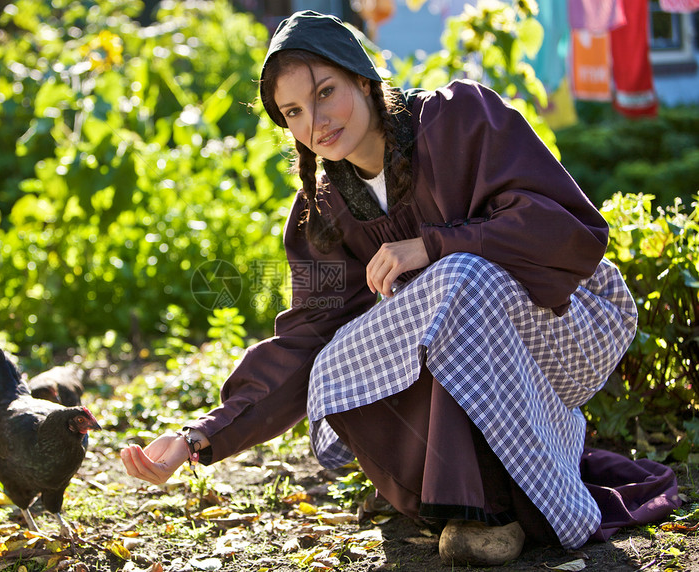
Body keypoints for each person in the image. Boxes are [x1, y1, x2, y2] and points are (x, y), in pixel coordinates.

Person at [121, 10, 681, 566]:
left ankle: (488, 498)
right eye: (293, 111)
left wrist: (433, 246)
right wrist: (198, 439)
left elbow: (569, 232)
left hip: (571, 322)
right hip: (471, 351)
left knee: (459, 279)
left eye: (325, 92)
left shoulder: (459, 118)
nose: (315, 121)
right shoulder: (321, 212)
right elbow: (304, 341)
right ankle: (475, 507)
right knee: (339, 352)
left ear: (363, 78)